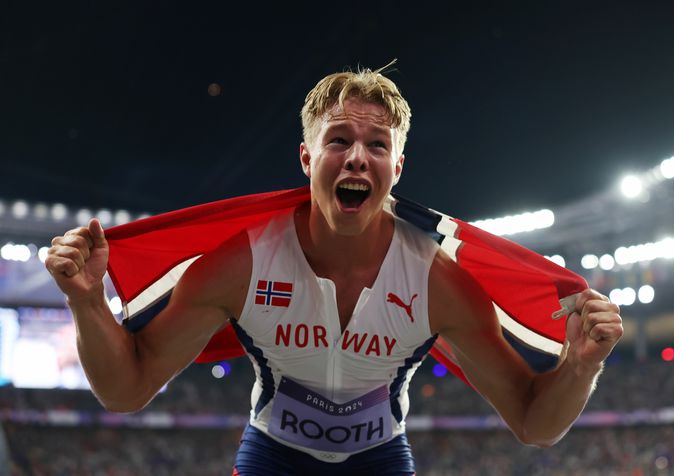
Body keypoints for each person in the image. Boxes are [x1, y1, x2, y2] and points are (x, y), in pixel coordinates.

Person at [45, 65, 623, 475]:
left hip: (380, 461)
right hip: (272, 457)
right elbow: (127, 389)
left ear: (397, 166)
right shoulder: (243, 264)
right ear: (307, 158)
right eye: (338, 139)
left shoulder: (438, 282)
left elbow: (534, 423)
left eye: (376, 145)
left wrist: (578, 364)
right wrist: (87, 302)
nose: (355, 156)